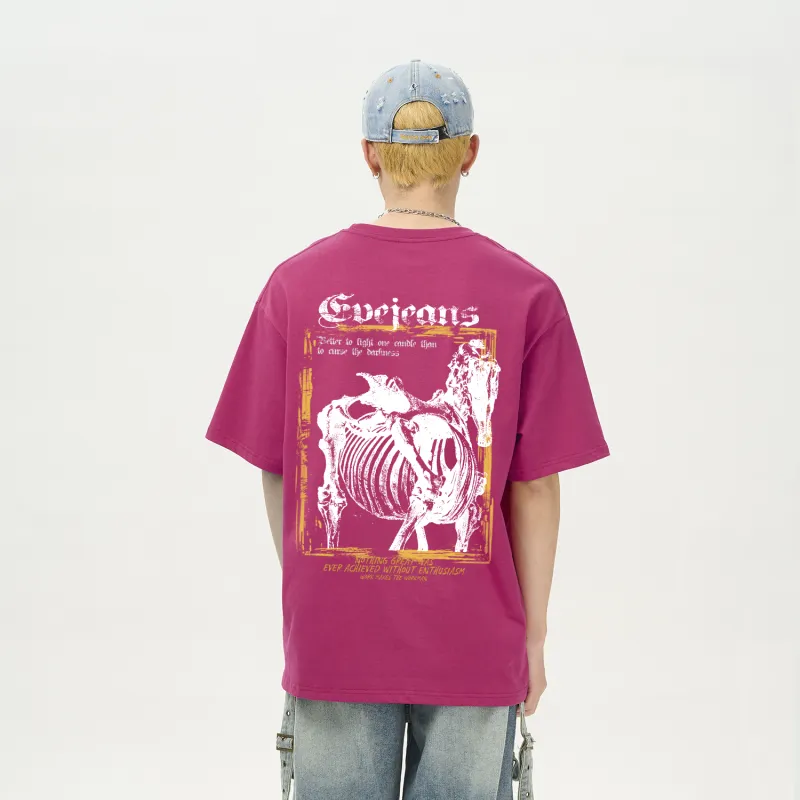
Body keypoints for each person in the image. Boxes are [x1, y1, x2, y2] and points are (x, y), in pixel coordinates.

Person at [205, 59, 609, 800]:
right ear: (470, 152)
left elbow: (279, 465)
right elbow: (536, 485)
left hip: (333, 638)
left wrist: (316, 589)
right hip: (473, 642)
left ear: (369, 155)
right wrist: (533, 637)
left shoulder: (296, 284)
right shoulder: (526, 293)